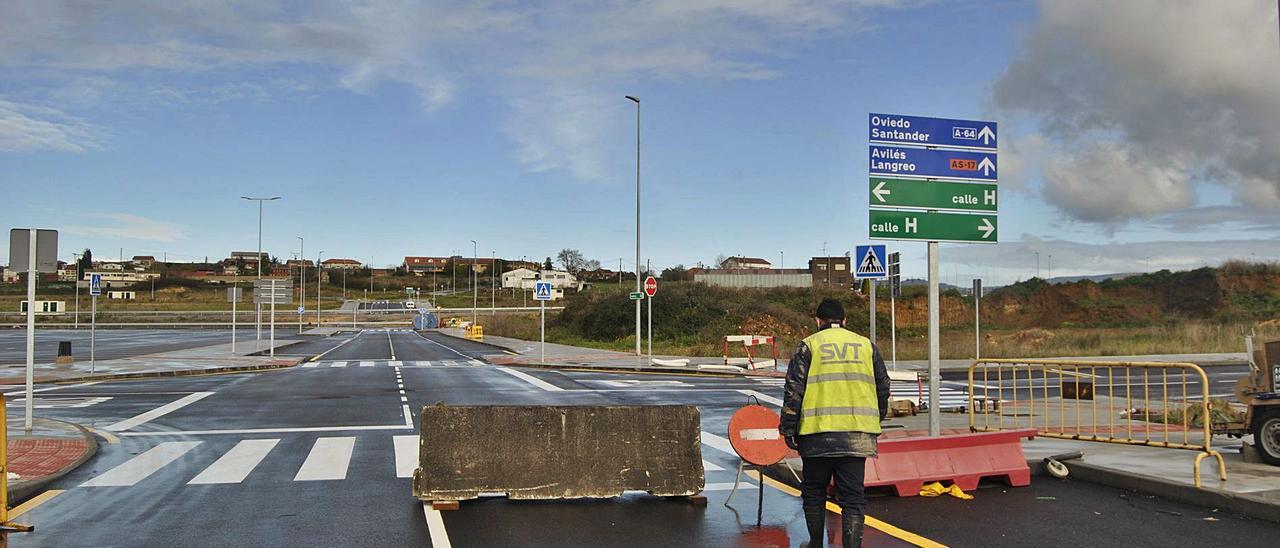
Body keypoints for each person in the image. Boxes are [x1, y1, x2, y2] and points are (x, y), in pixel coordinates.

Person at [779, 298, 890, 548]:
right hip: (856, 435)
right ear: (845, 320)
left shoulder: (809, 346)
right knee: (853, 498)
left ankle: (815, 544)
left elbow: (793, 391)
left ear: (818, 321)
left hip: (817, 435)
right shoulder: (866, 346)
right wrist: (875, 418)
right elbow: (883, 387)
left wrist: (788, 428)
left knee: (814, 493)